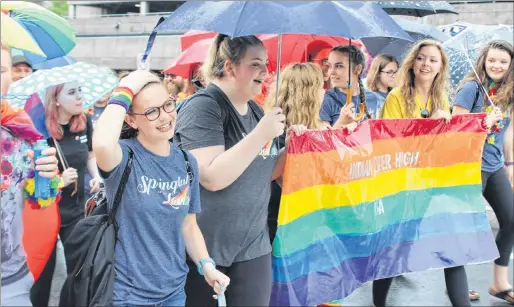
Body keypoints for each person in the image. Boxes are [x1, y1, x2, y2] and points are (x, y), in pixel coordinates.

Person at [93, 70, 229, 306]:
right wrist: (126, 87)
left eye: (167, 105)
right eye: (151, 111)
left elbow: (188, 225)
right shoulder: (124, 157)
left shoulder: (187, 162)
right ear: (131, 120)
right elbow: (103, 144)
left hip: (174, 292)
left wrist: (207, 266)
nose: (165, 116)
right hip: (127, 296)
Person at [174, 33, 290, 306]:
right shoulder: (203, 106)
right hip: (204, 250)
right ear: (229, 66)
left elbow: (265, 172)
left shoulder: (257, 112)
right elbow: (212, 177)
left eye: (266, 63)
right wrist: (261, 134)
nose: (266, 71)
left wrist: (293, 147)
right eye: (255, 63)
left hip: (252, 247)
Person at [376, 39, 479, 307]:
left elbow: (443, 143)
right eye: (421, 58)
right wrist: (429, 126)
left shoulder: (441, 97)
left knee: (451, 246)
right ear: (412, 63)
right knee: (394, 248)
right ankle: (378, 302)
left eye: (433, 60)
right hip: (402, 184)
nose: (426, 64)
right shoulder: (396, 97)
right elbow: (393, 144)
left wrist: (448, 125)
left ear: (441, 66)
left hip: (433, 181)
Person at [452, 40, 514, 304]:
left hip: (494, 165)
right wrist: (484, 123)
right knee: (466, 227)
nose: (496, 65)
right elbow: (456, 129)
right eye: (492, 60)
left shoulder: (508, 92)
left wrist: (510, 164)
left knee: (511, 220)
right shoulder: (471, 88)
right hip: (469, 166)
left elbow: (509, 133)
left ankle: (499, 283)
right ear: (483, 61)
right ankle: (456, 283)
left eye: (503, 61)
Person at [30, 82, 102, 307]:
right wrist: (59, 181)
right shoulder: (39, 128)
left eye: (80, 89)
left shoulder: (84, 122)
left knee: (79, 270)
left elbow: (90, 154)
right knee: (43, 275)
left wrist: (97, 176)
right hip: (46, 211)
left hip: (77, 210)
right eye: (72, 92)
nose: (80, 96)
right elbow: (29, 177)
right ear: (56, 99)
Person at [1, 43, 59, 307]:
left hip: (12, 279)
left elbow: (38, 199)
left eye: (2, 69)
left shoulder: (19, 128)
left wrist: (46, 176)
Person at [320, 45, 382, 130]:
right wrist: (341, 122)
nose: (331, 72)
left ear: (358, 69)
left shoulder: (374, 99)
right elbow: (324, 140)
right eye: (330, 66)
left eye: (339, 66)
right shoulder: (325, 99)